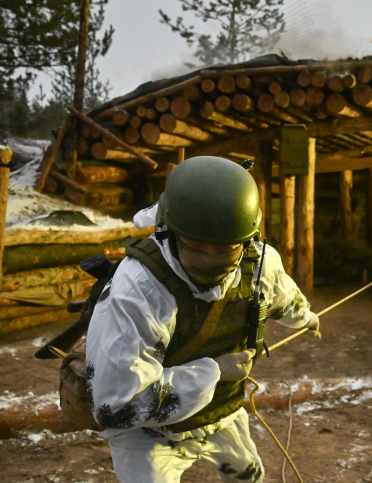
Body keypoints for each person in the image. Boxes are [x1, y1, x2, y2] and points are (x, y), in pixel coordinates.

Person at [85, 156, 319, 483]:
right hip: (150, 434)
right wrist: (214, 372)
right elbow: (115, 405)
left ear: (247, 238)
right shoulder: (137, 290)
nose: (210, 259)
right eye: (196, 245)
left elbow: (284, 299)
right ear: (171, 231)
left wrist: (307, 319)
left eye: (224, 249)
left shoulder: (259, 266)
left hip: (221, 413)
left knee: (248, 476)